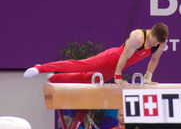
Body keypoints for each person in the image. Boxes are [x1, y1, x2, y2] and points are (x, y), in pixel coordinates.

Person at [24, 23, 168, 85]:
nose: (155, 45)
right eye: (154, 42)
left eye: (158, 44)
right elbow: (124, 56)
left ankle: (55, 78)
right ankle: (40, 68)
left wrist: (148, 78)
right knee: (79, 66)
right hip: (111, 58)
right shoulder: (138, 36)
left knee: (89, 79)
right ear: (151, 33)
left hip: (115, 68)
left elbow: (154, 60)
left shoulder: (161, 42)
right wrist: (118, 77)